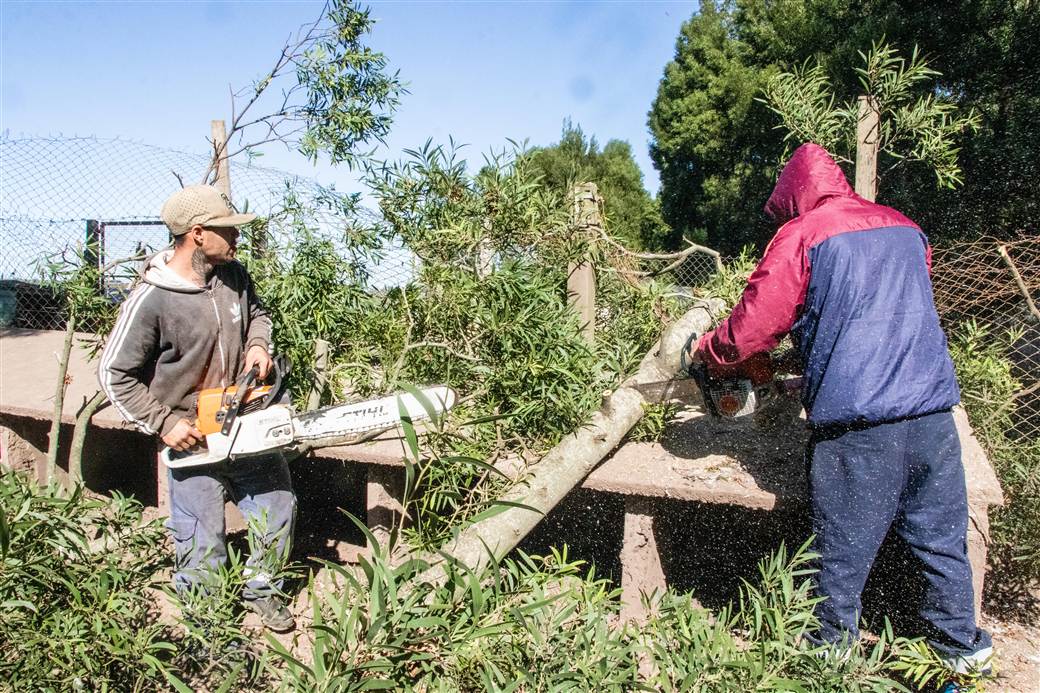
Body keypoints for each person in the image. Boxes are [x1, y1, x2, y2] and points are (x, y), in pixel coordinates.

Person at [686, 143, 992, 675]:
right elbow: (876, 314)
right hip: (933, 416)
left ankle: (828, 658)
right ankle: (959, 655)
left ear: (793, 196)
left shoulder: (803, 234)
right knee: (941, 541)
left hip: (861, 426)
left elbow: (751, 329)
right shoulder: (904, 226)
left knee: (840, 551)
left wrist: (709, 351)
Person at [98, 185, 296, 632]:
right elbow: (114, 374)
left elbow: (258, 314)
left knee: (276, 506)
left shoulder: (233, 276)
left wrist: (259, 345)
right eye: (229, 231)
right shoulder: (153, 300)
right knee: (201, 535)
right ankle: (207, 621)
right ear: (199, 233)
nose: (237, 238)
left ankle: (262, 589)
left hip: (245, 420)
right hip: (191, 435)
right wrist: (164, 422)